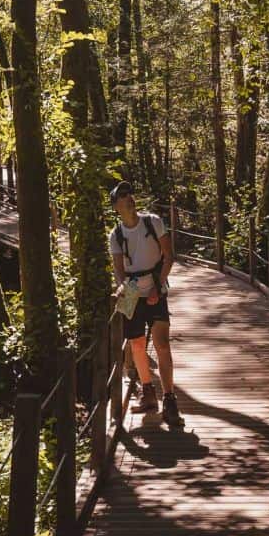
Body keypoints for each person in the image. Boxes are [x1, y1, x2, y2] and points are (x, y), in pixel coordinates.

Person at [108, 181, 184, 427]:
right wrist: (121, 287)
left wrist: (158, 286)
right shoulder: (116, 235)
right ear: (116, 207)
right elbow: (119, 271)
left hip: (155, 284)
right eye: (122, 196)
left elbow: (169, 256)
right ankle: (149, 393)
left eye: (130, 193)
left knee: (161, 343)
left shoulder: (153, 222)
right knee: (137, 345)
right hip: (131, 291)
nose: (129, 198)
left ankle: (170, 400)